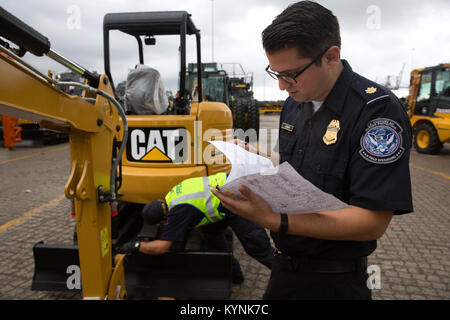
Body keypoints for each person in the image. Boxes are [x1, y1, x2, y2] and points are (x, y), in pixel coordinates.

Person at [212, 1, 413, 299]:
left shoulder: (376, 113)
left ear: (331, 56)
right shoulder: (296, 102)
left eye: (290, 74)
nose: (282, 86)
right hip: (283, 270)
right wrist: (261, 157)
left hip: (334, 281)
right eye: (275, 73)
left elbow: (371, 222)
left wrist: (274, 220)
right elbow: (302, 162)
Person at [118, 172, 274, 284]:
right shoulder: (172, 195)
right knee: (212, 237)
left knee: (257, 248)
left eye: (160, 224)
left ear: (162, 220)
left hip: (238, 202)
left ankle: (288, 278)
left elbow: (161, 248)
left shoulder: (178, 211)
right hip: (226, 195)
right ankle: (234, 274)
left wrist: (135, 245)